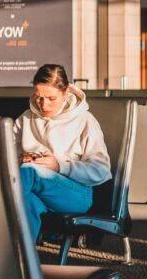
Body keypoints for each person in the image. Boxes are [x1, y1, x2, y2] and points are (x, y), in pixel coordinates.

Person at [13, 64, 112, 242]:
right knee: (28, 201)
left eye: (51, 98)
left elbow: (101, 170)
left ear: (66, 92)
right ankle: (20, 262)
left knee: (29, 172)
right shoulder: (26, 118)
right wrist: (22, 158)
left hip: (77, 194)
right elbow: (8, 157)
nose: (43, 105)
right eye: (38, 97)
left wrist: (59, 166)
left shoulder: (84, 121)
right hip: (37, 190)